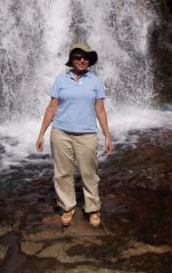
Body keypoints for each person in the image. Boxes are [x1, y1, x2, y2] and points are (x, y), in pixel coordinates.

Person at [36, 43, 112, 228]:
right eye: (78, 56)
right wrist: (41, 134)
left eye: (85, 57)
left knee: (89, 173)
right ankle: (67, 206)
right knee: (62, 173)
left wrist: (107, 135)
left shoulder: (95, 81)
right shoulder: (61, 80)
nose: (81, 60)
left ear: (89, 61)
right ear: (71, 59)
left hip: (87, 135)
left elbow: (100, 110)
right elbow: (51, 108)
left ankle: (93, 209)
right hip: (61, 133)